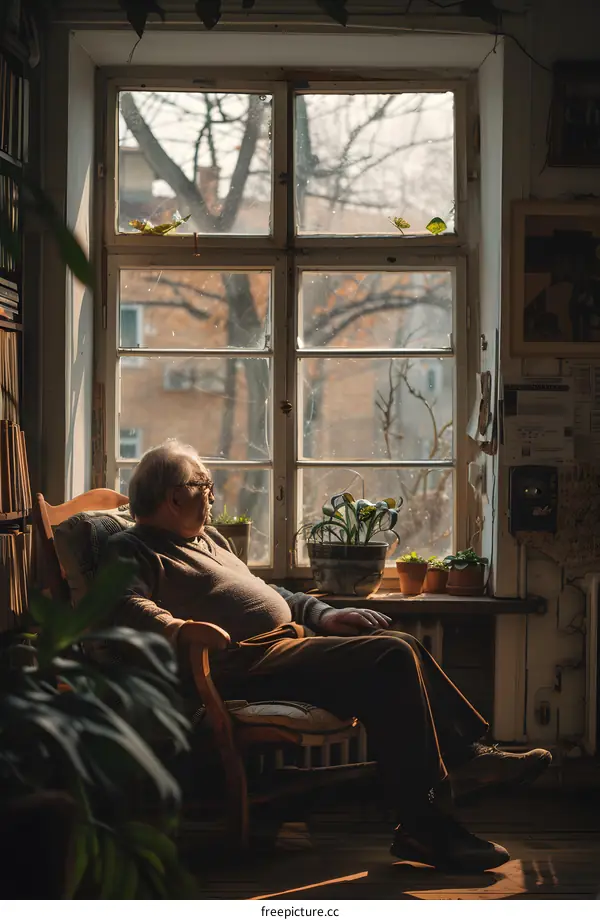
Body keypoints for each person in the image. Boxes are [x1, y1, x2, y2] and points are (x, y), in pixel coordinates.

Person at [106, 440, 552, 872]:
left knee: (403, 647)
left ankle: (463, 767)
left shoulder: (209, 539)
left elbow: (265, 593)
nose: (211, 494)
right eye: (203, 485)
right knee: (390, 655)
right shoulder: (134, 546)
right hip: (239, 664)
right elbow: (124, 603)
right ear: (173, 497)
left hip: (284, 646)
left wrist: (324, 614)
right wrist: (178, 628)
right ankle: (432, 819)